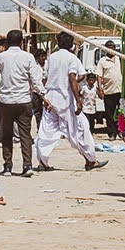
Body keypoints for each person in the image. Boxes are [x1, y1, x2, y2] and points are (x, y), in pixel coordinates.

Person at [33, 31, 105, 170]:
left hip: (50, 98)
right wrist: (78, 99)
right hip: (65, 99)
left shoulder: (51, 58)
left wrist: (44, 96)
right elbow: (74, 77)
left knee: (46, 130)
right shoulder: (71, 58)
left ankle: (42, 162)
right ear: (71, 44)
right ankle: (90, 160)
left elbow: (45, 78)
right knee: (79, 129)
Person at [0, 30, 42, 174]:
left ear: (7, 41)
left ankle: (7, 165)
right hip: (24, 100)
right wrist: (44, 95)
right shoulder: (28, 57)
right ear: (21, 41)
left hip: (6, 100)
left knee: (7, 134)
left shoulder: (1, 57)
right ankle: (27, 165)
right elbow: (35, 81)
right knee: (25, 134)